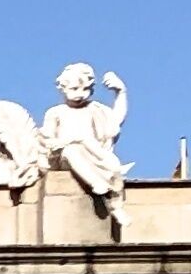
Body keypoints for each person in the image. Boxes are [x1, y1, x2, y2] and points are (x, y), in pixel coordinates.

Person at [34, 63, 131, 220]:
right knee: (72, 151)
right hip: (64, 155)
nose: (80, 94)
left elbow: (115, 120)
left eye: (85, 89)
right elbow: (47, 139)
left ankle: (116, 205)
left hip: (92, 151)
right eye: (74, 89)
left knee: (113, 164)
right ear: (63, 88)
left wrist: (121, 92)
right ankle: (95, 183)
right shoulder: (55, 112)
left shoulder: (94, 109)